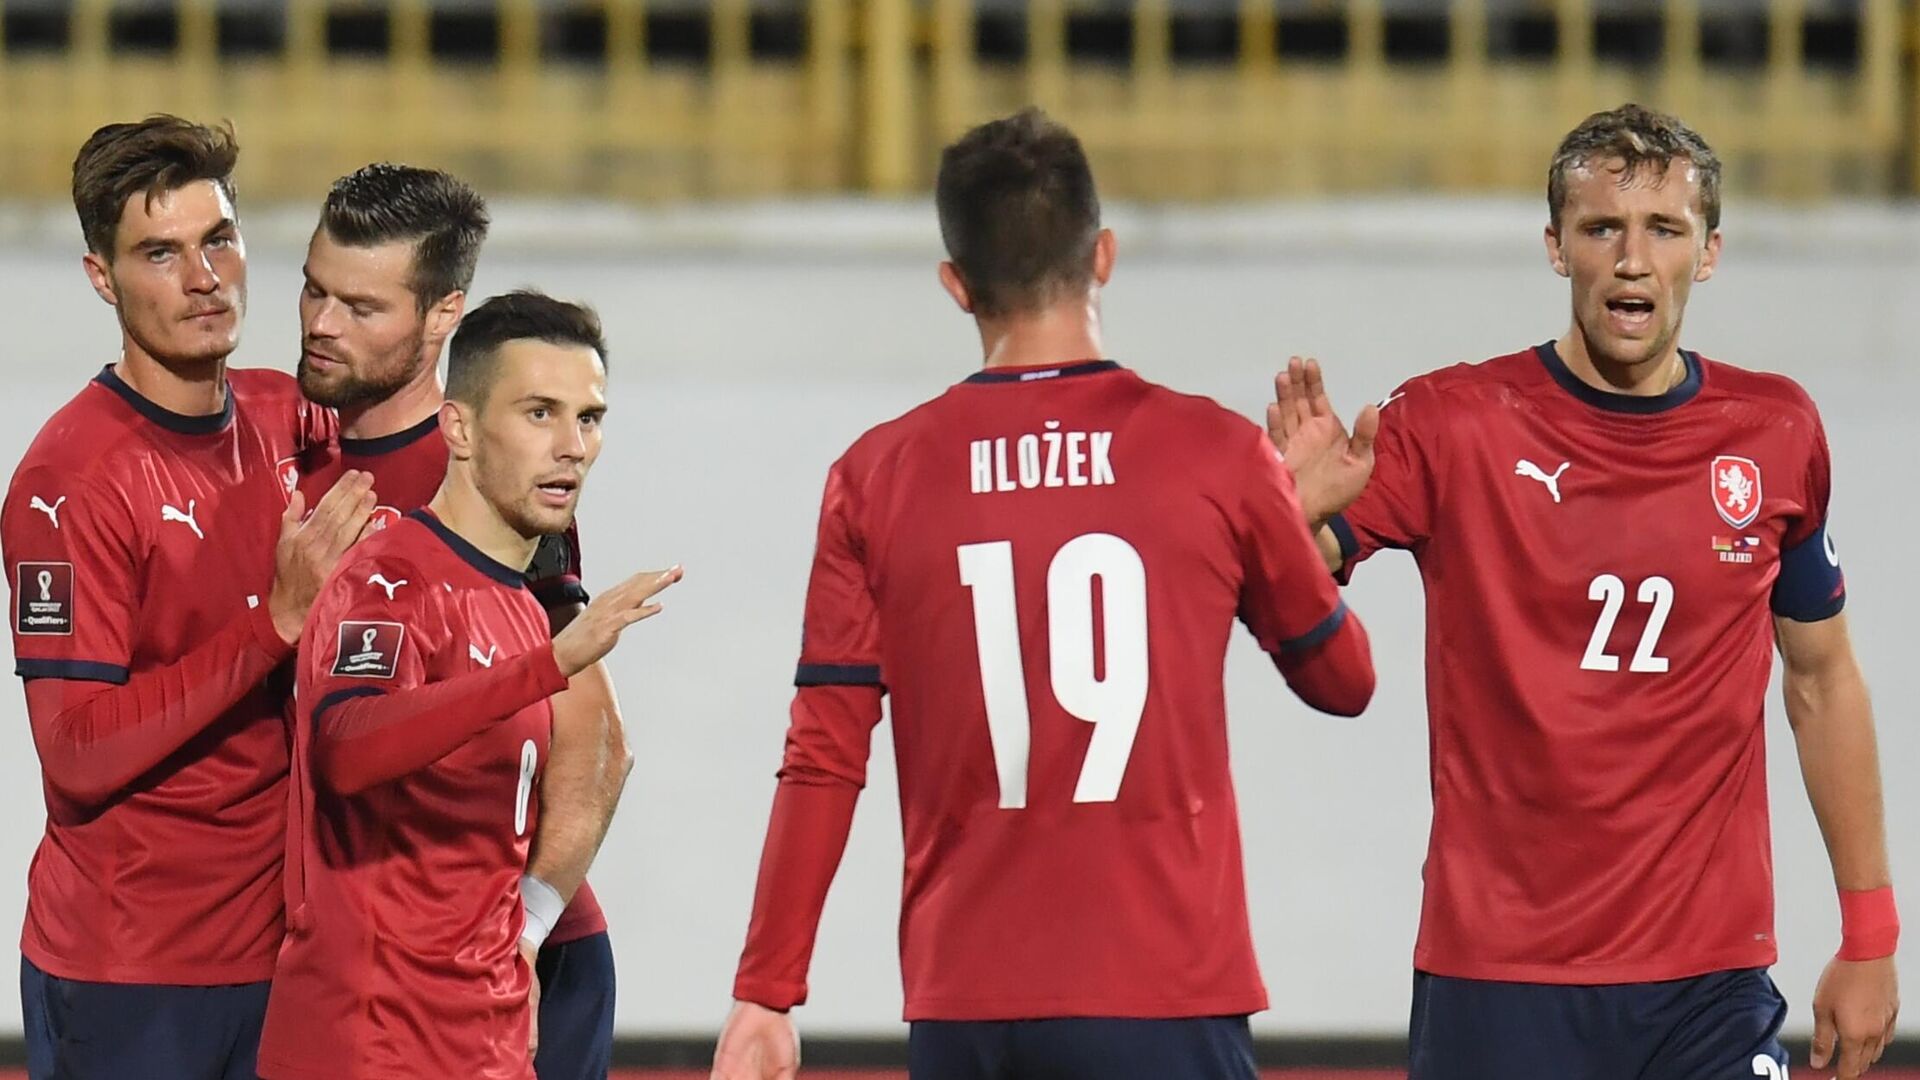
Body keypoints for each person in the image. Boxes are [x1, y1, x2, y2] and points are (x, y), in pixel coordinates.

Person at [710, 108, 1375, 1080]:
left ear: (956, 284)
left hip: (968, 1001)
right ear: (1103, 255)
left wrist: (768, 990)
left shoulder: (875, 476)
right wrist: (1299, 528)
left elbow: (824, 754)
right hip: (1166, 988)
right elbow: (1346, 682)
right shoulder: (1217, 454)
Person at [1270, 103, 1899, 1080]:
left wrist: (1870, 933)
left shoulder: (1775, 433)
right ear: (1556, 246)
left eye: (1665, 229)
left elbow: (1822, 679)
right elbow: (1298, 568)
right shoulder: (1453, 422)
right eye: (1602, 228)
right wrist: (1288, 510)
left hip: (1708, 985)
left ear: (1710, 252)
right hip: (1499, 977)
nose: (1633, 260)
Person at [0, 115, 371, 1079]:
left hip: (281, 952)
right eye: (160, 254)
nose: (204, 277)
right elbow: (74, 752)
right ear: (102, 277)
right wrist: (271, 628)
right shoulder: (69, 483)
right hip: (131, 971)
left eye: (219, 240)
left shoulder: (288, 414)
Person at [257, 291, 680, 1079]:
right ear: (458, 428)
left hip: (486, 1043)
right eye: (539, 414)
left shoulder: (519, 605)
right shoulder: (388, 581)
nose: (572, 447)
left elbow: (596, 761)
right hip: (369, 1047)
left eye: (589, 419)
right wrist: (545, 668)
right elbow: (345, 748)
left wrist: (528, 934)